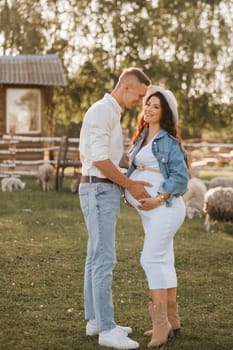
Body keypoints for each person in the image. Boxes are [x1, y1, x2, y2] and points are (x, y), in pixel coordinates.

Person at [78, 67, 151, 350]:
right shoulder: (102, 111)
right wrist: (128, 185)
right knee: (103, 259)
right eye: (141, 95)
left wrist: (123, 180)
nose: (142, 102)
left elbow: (101, 158)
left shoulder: (111, 112)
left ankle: (96, 320)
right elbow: (98, 160)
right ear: (127, 87)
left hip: (102, 187)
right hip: (97, 190)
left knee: (94, 256)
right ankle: (106, 330)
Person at [124, 85, 190, 348]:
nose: (148, 109)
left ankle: (160, 325)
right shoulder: (141, 138)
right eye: (147, 104)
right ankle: (172, 321)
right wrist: (129, 191)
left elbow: (181, 178)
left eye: (155, 106)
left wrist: (158, 197)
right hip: (150, 212)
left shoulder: (169, 142)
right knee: (163, 260)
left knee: (150, 258)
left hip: (166, 208)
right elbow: (136, 170)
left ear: (165, 113)